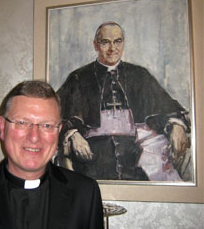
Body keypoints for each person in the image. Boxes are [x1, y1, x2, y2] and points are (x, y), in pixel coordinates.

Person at [0, 80, 112, 229]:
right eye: (23, 122)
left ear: (58, 131)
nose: (34, 137)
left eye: (47, 125)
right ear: (2, 127)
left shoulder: (85, 194)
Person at [57, 21, 190, 181]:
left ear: (124, 43)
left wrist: (176, 126)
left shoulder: (139, 74)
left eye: (117, 41)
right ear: (95, 45)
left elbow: (163, 106)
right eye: (105, 42)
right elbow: (57, 114)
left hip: (139, 140)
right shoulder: (79, 77)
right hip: (94, 144)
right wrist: (73, 134)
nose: (113, 48)